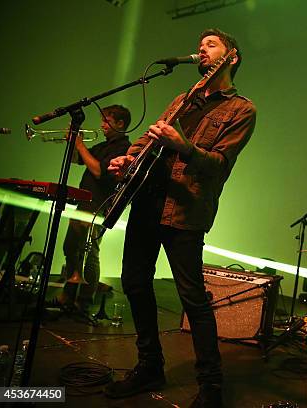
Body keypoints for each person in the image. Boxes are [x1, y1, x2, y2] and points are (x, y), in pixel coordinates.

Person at [105, 28, 256, 408]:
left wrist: (183, 146)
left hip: (185, 210)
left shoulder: (242, 110)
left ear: (231, 57)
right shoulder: (182, 98)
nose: (201, 51)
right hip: (146, 202)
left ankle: (211, 386)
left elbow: (219, 165)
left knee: (192, 297)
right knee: (135, 283)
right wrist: (129, 157)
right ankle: (149, 365)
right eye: (199, 45)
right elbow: (149, 139)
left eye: (211, 45)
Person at [52, 105, 132, 314]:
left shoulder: (123, 148)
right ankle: (69, 295)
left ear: (120, 124)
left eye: (106, 121)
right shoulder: (102, 146)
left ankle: (85, 301)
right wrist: (72, 142)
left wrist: (80, 145)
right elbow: (78, 160)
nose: (102, 125)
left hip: (98, 205)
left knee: (89, 252)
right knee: (71, 247)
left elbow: (98, 171)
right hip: (83, 203)